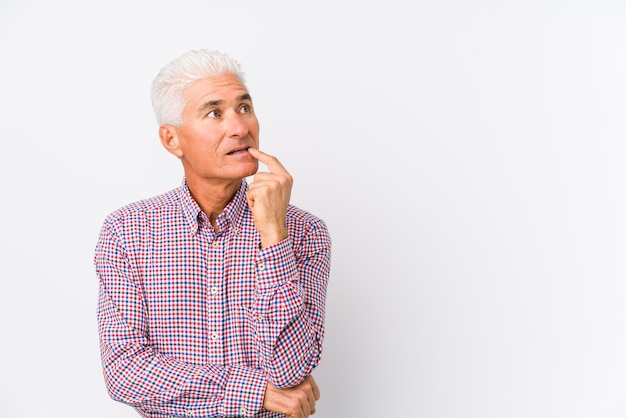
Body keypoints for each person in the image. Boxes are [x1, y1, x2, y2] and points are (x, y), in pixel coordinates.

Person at [94, 49, 332, 418]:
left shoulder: (304, 232)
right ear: (172, 140)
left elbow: (291, 370)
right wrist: (259, 392)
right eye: (215, 112)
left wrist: (273, 233)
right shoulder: (128, 232)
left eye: (244, 108)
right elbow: (125, 373)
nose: (240, 127)